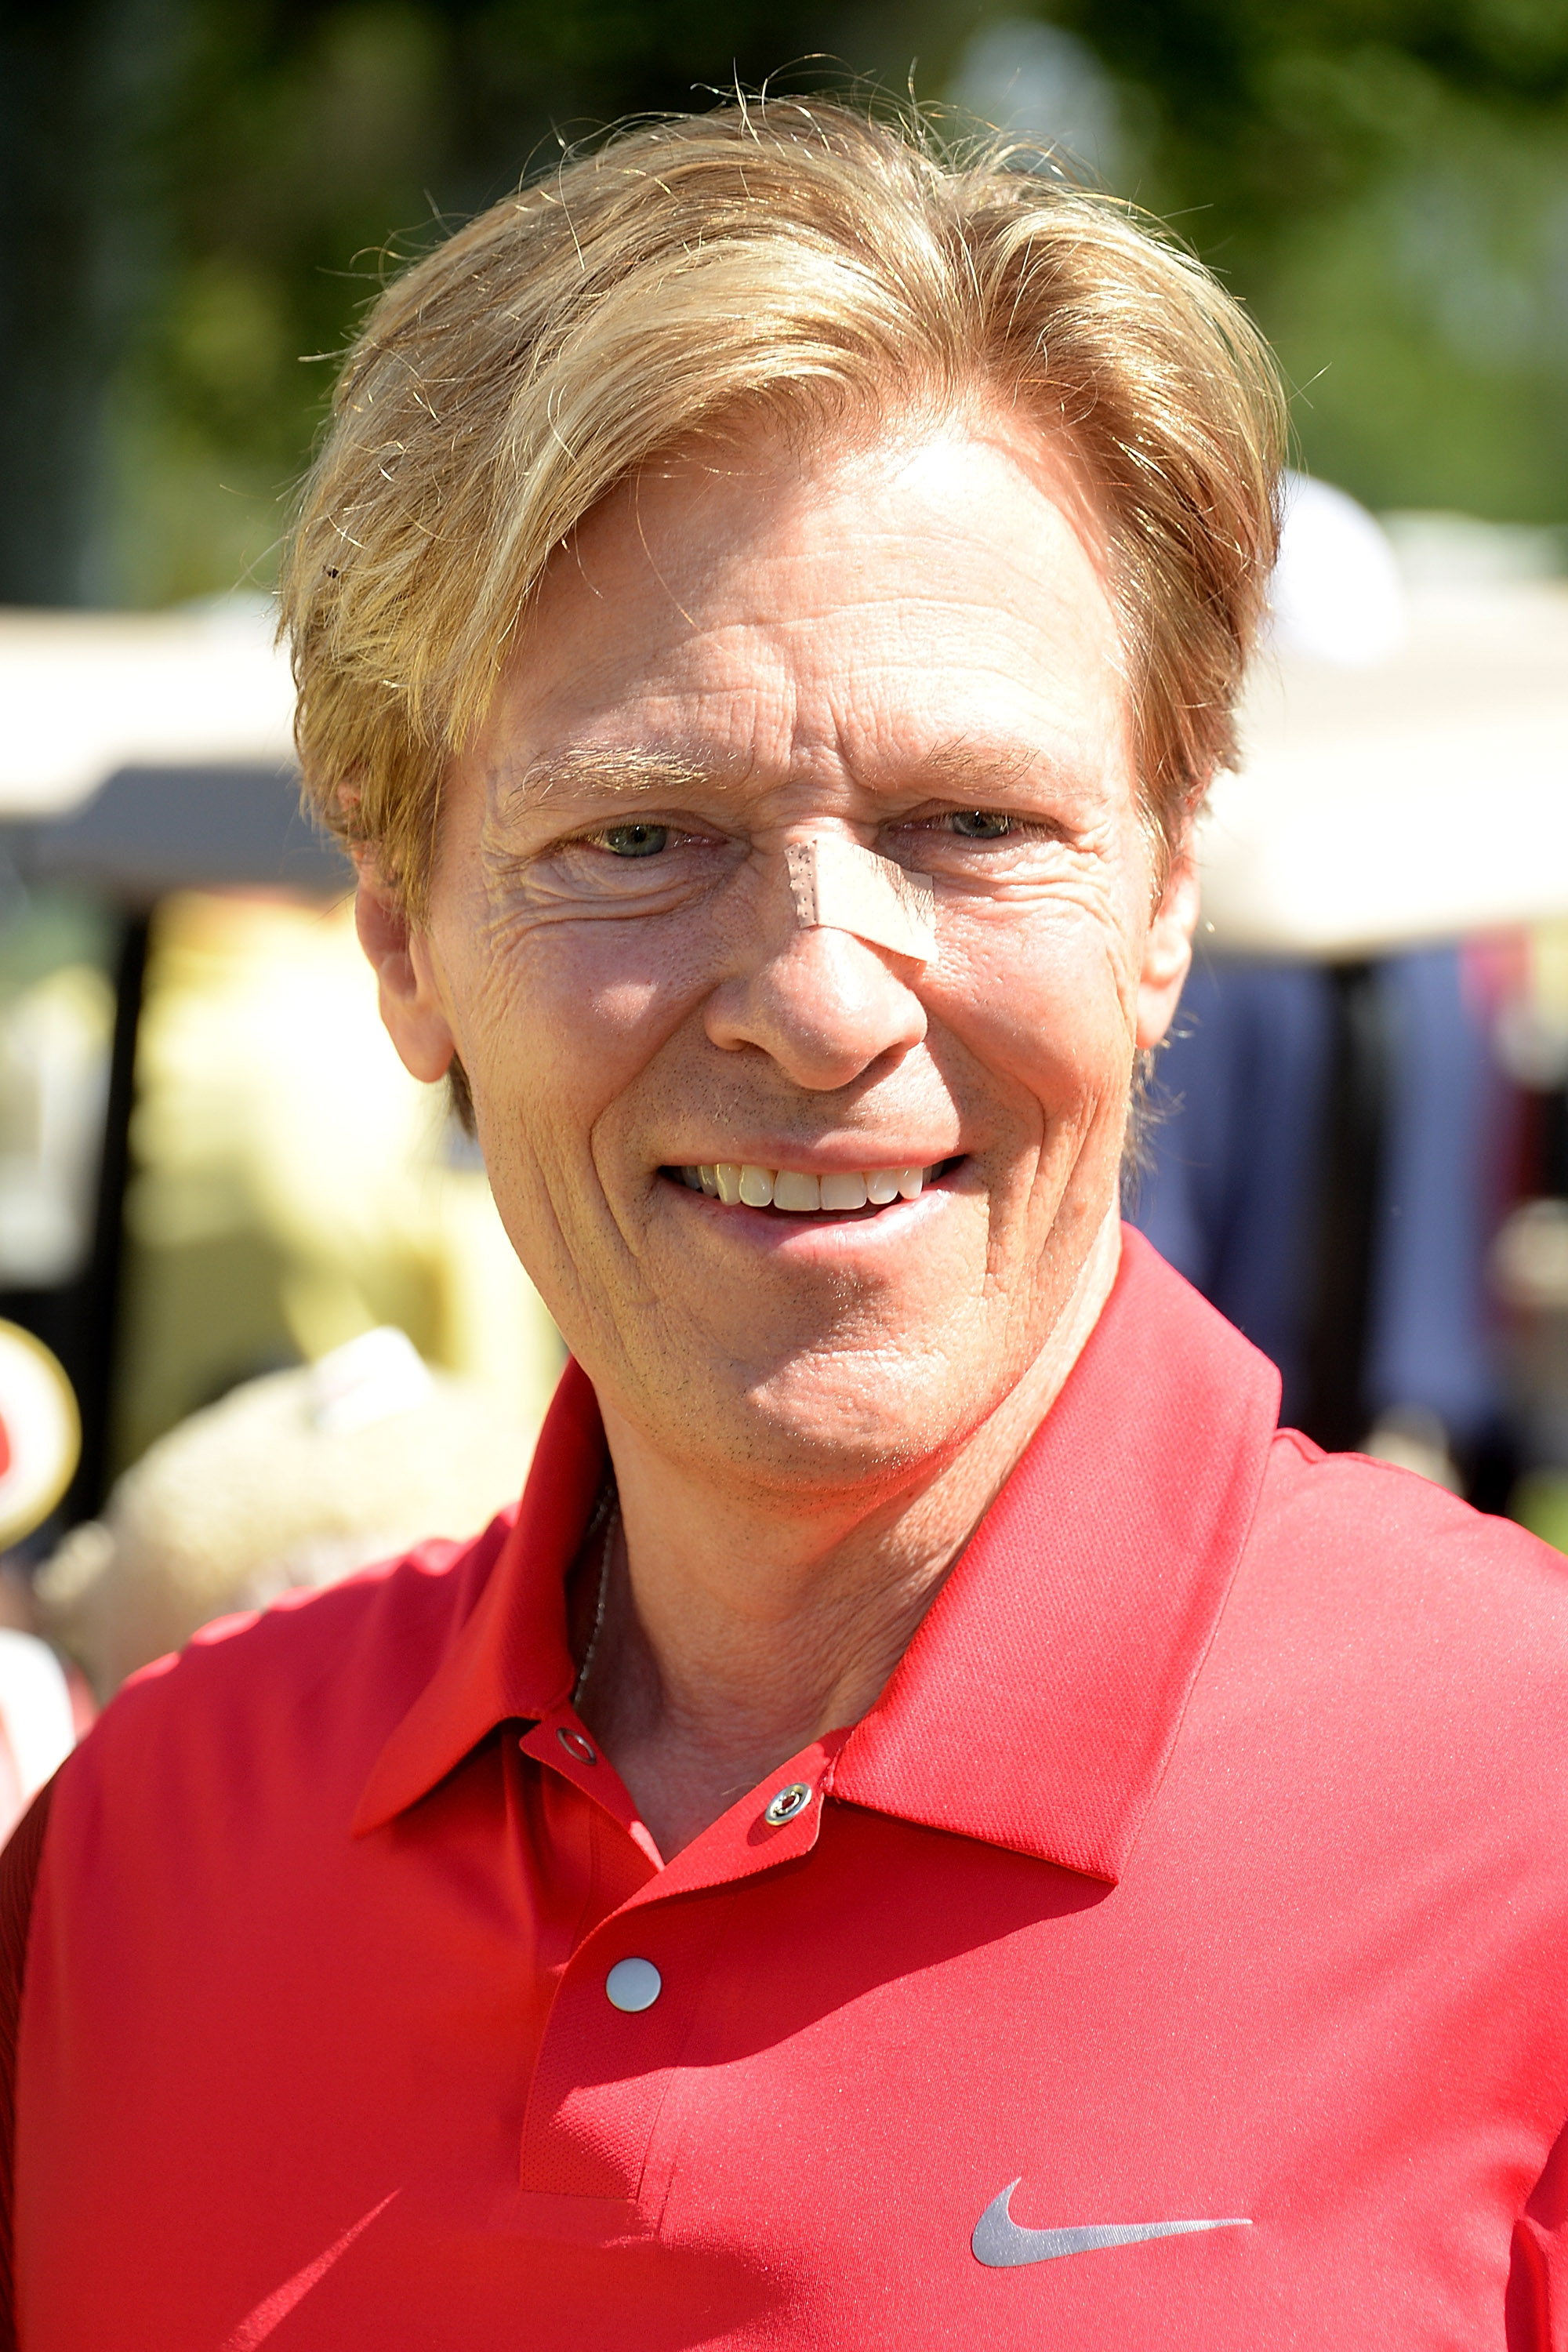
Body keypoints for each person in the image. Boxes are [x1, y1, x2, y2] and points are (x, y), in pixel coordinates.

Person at [3, 100, 1566, 2352]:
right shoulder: (146, 1851)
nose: (823, 998)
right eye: (642, 835)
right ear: (401, 933)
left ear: (1162, 907)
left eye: (968, 822)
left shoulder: (1523, 1814)